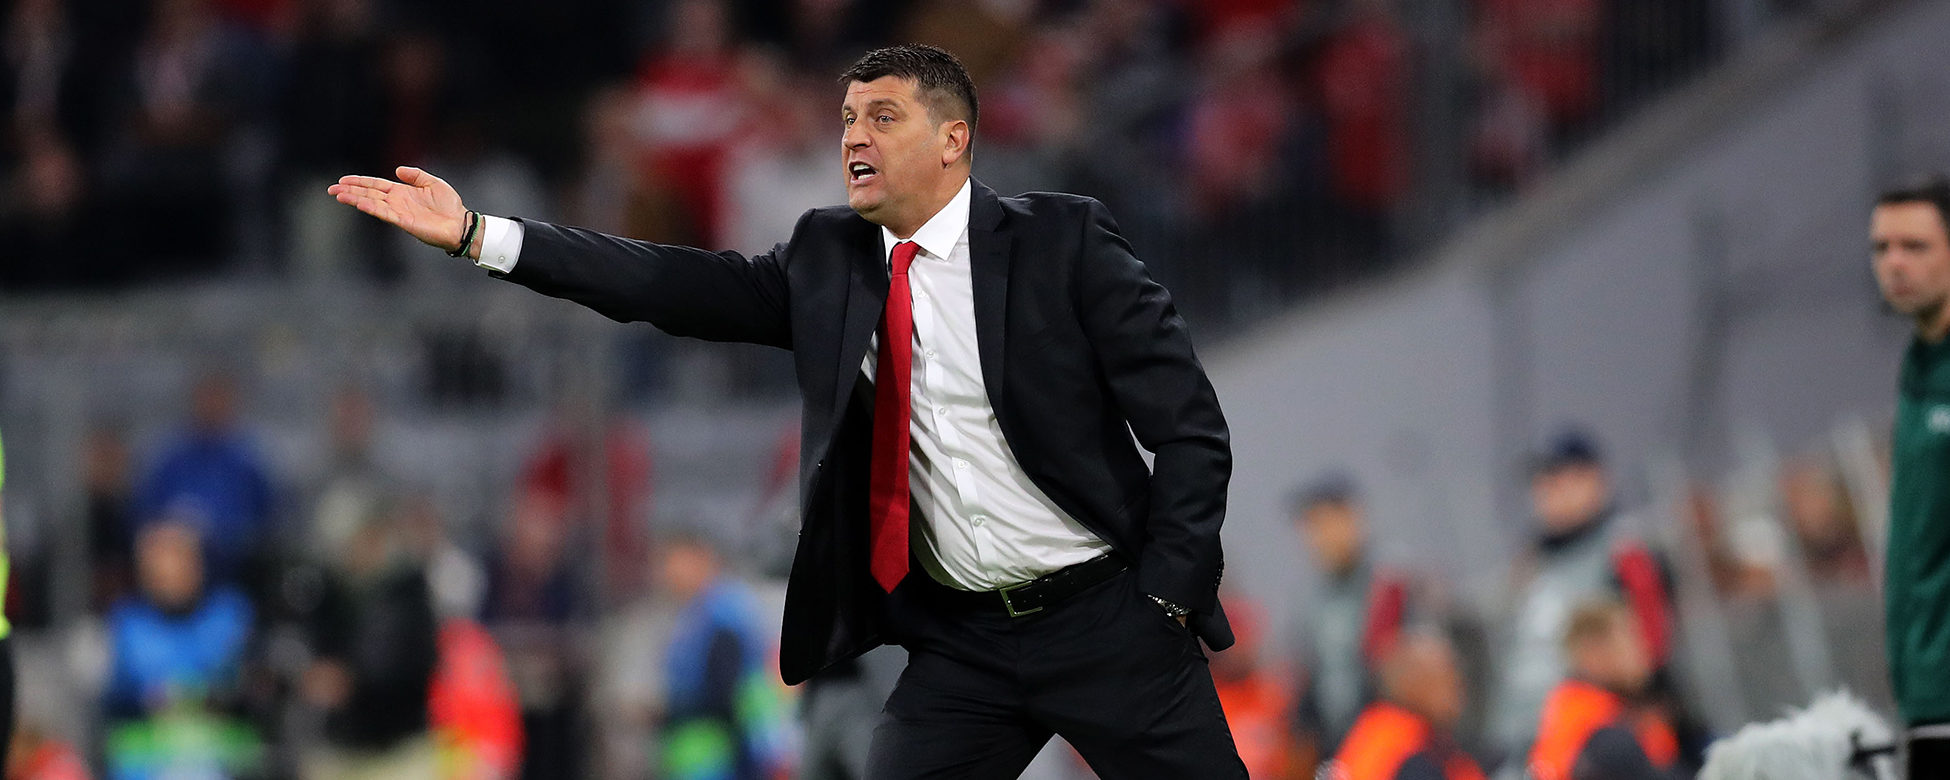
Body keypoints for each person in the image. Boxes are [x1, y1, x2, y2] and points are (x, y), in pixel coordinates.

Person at [329, 42, 1243, 777]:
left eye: (882, 117)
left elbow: (1190, 428)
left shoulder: (1063, 242)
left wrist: (1165, 594)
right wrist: (481, 237)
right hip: (966, 642)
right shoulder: (828, 258)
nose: (854, 137)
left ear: (953, 139)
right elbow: (665, 283)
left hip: (1105, 617)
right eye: (847, 119)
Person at [1485, 429, 1673, 762]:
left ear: (1595, 480)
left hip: (1594, 734)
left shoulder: (1622, 551)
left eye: (1560, 477)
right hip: (1525, 738)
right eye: (1542, 481)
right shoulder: (1532, 564)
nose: (1548, 491)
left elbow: (1651, 647)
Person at [1869, 178, 1950, 777]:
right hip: (1927, 688)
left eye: (1915, 247)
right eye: (1882, 248)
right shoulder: (1919, 362)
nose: (1894, 264)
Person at [1289, 474, 1411, 760]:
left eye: (1324, 524)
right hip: (1338, 746)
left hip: (1385, 743)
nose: (1317, 538)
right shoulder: (1315, 599)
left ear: (1353, 518)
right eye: (1310, 527)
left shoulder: (1389, 584)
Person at [655, 530, 792, 780]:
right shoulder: (698, 612)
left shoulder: (723, 616)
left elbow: (729, 693)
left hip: (718, 757)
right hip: (702, 755)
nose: (668, 573)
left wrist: (668, 710)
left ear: (701, 559)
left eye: (675, 561)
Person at [1526, 600, 1677, 780]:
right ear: (1594, 655)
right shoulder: (1607, 742)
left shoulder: (1587, 711)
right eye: (1630, 639)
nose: (1644, 648)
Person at [1324, 630, 1483, 780]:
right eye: (1447, 678)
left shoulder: (1374, 727)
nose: (1458, 690)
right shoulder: (1410, 752)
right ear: (1411, 684)